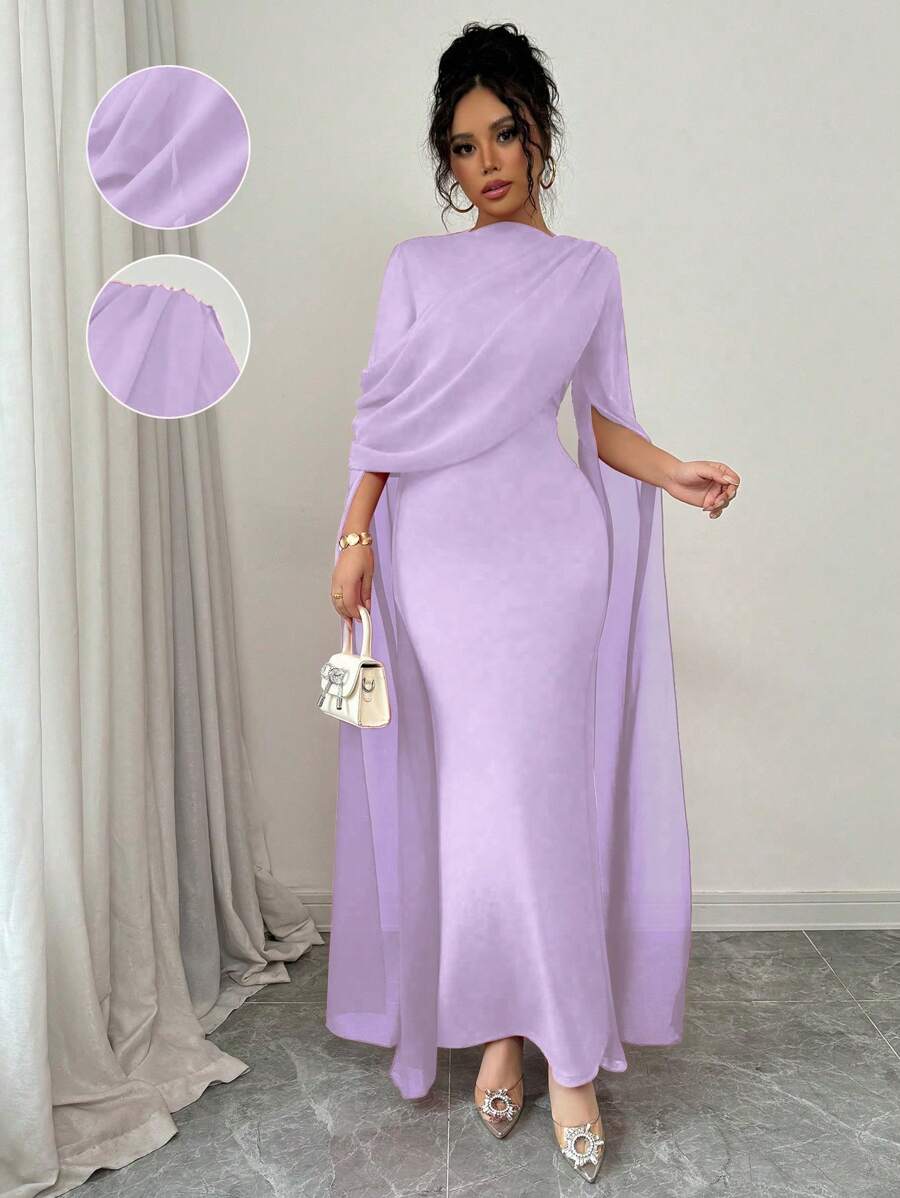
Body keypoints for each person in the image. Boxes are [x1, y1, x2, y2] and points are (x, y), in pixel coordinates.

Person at [324, 21, 739, 1183]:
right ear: (446, 163)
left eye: (504, 133)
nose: (487, 162)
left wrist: (673, 470)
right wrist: (354, 535)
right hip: (437, 561)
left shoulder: (587, 270)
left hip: (550, 562)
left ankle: (568, 1054)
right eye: (463, 147)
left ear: (540, 134)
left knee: (542, 802)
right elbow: (383, 422)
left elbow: (600, 421)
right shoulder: (415, 269)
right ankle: (500, 1028)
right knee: (473, 808)